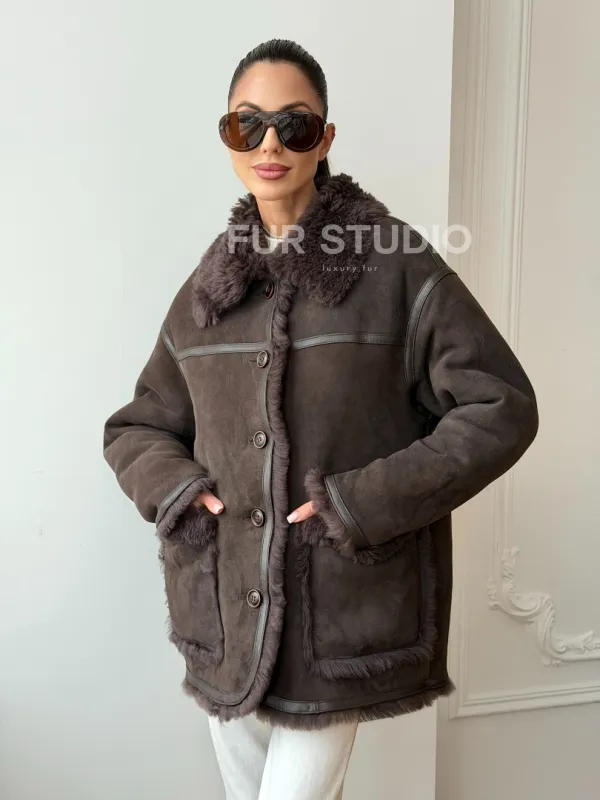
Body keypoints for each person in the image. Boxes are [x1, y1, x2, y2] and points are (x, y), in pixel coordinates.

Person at [103, 38, 539, 800]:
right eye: (247, 124)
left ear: (325, 137)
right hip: (223, 608)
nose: (269, 143)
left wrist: (359, 503)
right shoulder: (210, 289)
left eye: (294, 124)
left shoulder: (393, 263)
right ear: (227, 137)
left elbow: (500, 405)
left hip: (339, 608)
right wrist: (181, 494)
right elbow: (136, 426)